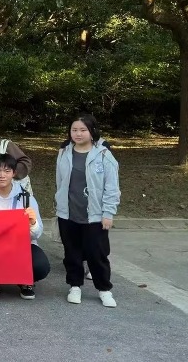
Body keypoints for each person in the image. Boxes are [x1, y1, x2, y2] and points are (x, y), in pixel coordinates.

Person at [56, 114, 120, 308]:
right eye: (74, 130)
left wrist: (108, 213)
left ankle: (104, 289)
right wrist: (59, 205)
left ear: (92, 132)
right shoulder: (64, 152)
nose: (78, 134)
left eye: (83, 130)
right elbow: (60, 181)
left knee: (96, 253)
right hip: (68, 213)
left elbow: (112, 187)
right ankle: (74, 286)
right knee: (72, 252)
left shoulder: (103, 155)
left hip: (95, 215)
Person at [0, 154, 50, 300]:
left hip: (22, 245)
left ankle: (25, 281)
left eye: (7, 171)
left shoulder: (26, 198)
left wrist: (33, 223)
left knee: (40, 265)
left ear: (14, 173)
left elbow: (37, 234)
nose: (2, 175)